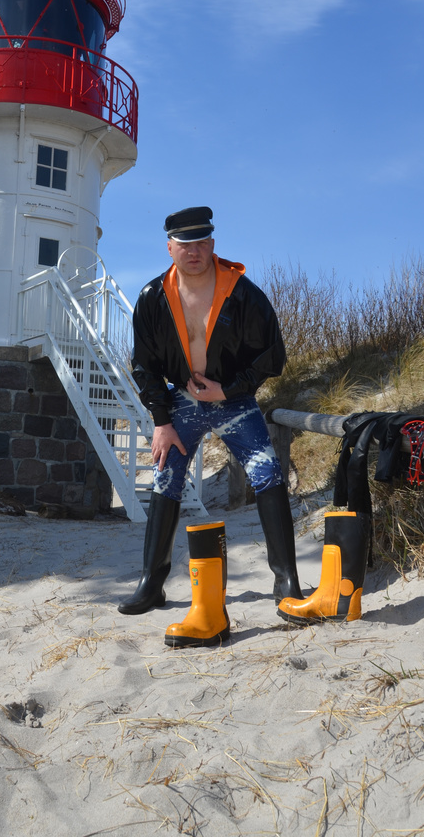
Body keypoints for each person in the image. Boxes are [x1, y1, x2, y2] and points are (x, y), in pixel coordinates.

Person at [118, 205, 303, 621]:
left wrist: (231, 388)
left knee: (268, 472)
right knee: (166, 477)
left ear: (213, 244)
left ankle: (285, 579)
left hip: (234, 402)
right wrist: (161, 421)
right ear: (170, 248)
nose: (194, 251)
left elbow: (274, 355)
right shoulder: (152, 298)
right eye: (184, 243)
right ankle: (152, 581)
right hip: (181, 403)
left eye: (201, 241)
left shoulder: (242, 292)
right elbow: (144, 366)